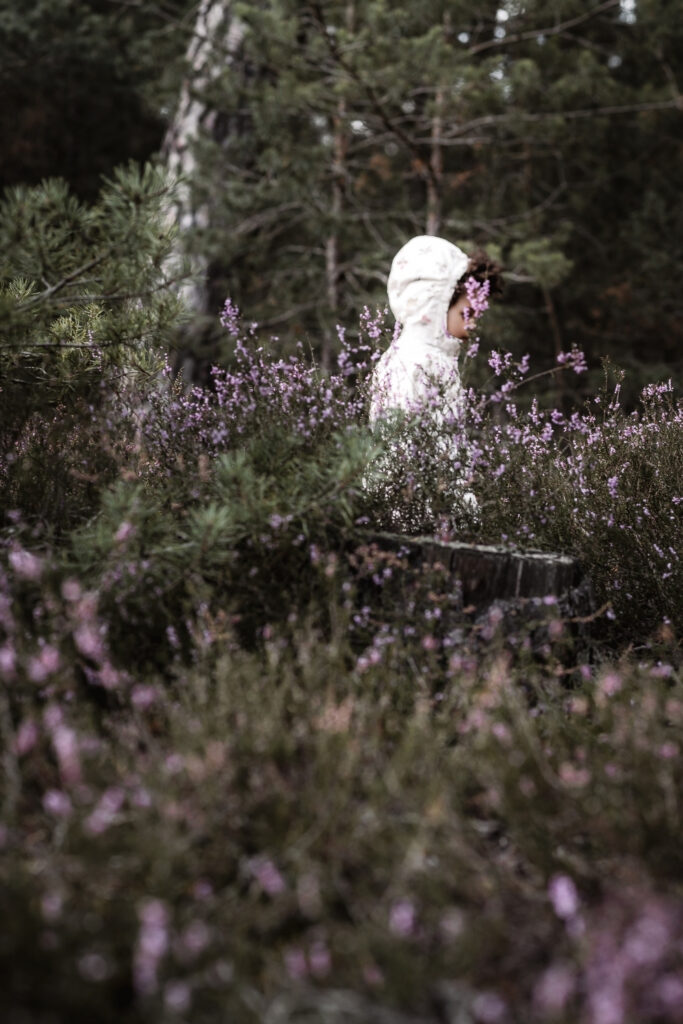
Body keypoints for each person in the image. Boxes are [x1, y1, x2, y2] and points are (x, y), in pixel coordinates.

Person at [367, 234, 503, 532]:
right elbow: (399, 447)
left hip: (436, 513)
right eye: (466, 313)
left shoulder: (438, 360)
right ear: (435, 305)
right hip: (409, 519)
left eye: (477, 315)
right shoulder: (412, 361)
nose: (472, 325)